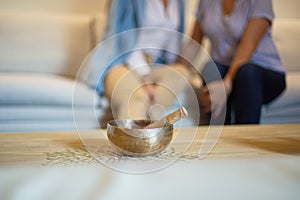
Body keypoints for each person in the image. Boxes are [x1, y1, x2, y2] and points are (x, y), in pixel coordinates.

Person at [191, 0, 286, 124]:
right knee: (211, 68)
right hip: (225, 69)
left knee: (246, 72)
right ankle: (217, 135)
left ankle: (246, 134)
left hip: (261, 73)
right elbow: (193, 43)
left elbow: (248, 46)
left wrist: (227, 84)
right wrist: (178, 69)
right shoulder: (206, 2)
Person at [99, 0, 190, 120]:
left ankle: (145, 124)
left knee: (182, 72)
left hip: (157, 65)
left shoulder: (179, 2)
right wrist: (145, 78)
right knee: (137, 97)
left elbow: (173, 40)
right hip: (123, 62)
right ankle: (139, 133)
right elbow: (123, 40)